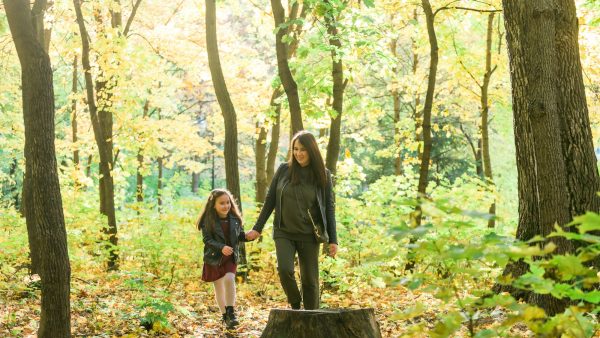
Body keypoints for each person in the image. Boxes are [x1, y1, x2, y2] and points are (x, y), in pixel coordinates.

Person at [246, 130, 338, 310]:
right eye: (295, 149)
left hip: (309, 235)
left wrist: (333, 239)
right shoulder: (283, 170)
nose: (298, 153)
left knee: (310, 281)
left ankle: (312, 319)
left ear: (312, 150)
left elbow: (329, 208)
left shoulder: (323, 174)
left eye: (303, 149)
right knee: (285, 270)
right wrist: (257, 228)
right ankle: (295, 304)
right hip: (284, 231)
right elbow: (270, 200)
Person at [197, 189, 246, 329]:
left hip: (230, 257)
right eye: (222, 203)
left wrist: (247, 236)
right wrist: (221, 247)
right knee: (219, 288)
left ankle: (231, 312)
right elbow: (207, 240)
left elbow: (239, 236)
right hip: (214, 258)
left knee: (230, 279)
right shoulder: (208, 220)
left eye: (228, 202)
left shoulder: (235, 219)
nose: (226, 206)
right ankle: (225, 317)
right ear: (214, 205)